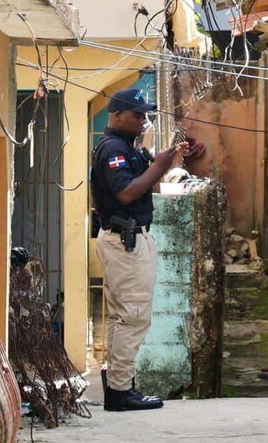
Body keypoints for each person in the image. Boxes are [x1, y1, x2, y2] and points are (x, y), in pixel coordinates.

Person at [90, 88, 188, 412]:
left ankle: (119, 386)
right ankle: (120, 392)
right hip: (125, 240)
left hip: (129, 239)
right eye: (137, 114)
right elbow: (127, 194)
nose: (143, 119)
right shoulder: (113, 149)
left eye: (146, 114)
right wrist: (159, 166)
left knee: (125, 316)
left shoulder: (127, 148)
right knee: (132, 316)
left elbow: (145, 188)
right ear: (116, 115)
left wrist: (164, 162)